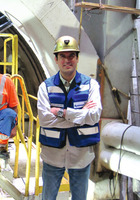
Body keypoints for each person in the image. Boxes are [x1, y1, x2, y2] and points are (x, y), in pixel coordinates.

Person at [37, 36, 102, 200]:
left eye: (71, 56)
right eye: (63, 56)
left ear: (77, 58)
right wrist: (81, 116)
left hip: (81, 155)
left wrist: (63, 113)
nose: (67, 60)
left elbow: (94, 116)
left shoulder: (91, 85)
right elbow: (45, 119)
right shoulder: (45, 87)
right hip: (52, 155)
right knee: (48, 197)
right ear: (56, 59)